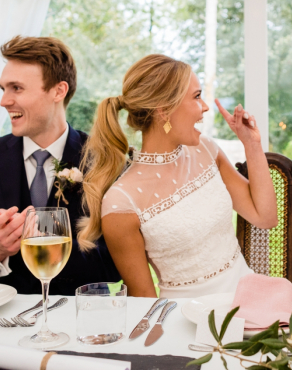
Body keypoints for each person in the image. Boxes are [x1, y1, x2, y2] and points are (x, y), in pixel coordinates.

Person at [77, 54, 278, 298]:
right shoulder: (121, 202)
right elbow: (145, 303)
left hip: (249, 300)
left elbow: (265, 217)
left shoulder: (206, 150)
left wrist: (252, 144)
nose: (204, 106)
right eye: (196, 97)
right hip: (183, 321)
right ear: (164, 110)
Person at [0, 36, 120, 295]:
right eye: (3, 89)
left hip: (79, 318)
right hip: (1, 321)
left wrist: (53, 241)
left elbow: (119, 265)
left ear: (59, 91)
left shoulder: (106, 159)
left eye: (16, 88)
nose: (4, 101)